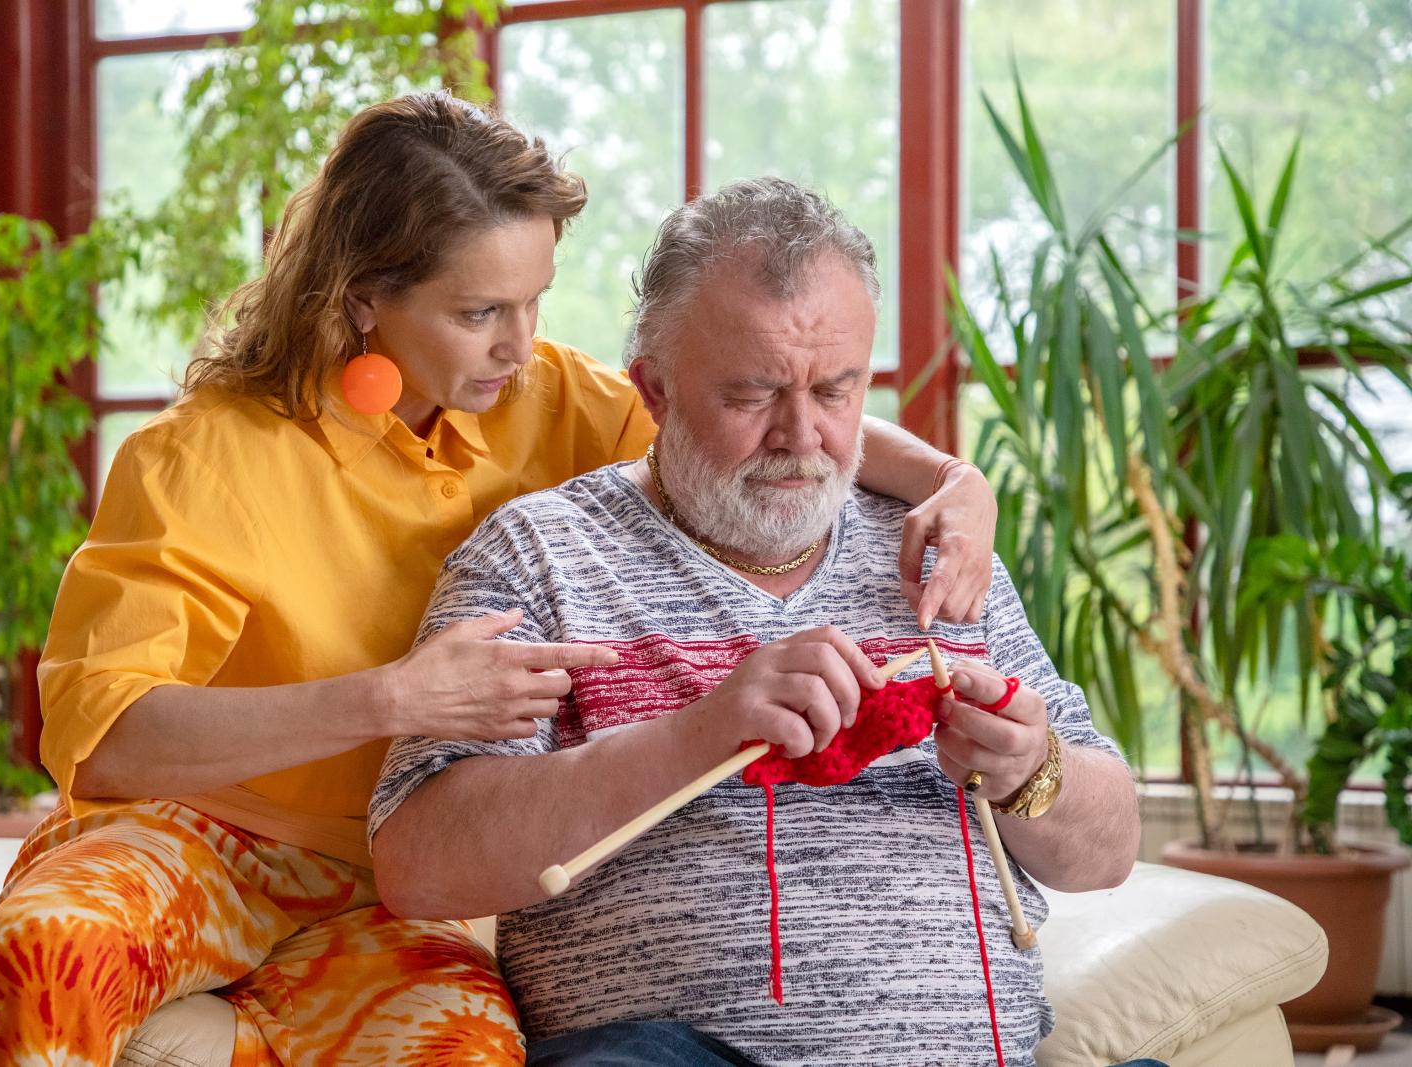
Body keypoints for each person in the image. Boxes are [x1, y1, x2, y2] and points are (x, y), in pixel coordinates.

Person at [0, 95, 1001, 1066]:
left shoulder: (545, 393)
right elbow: (106, 737)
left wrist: (956, 479)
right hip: (194, 839)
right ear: (360, 303)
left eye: (533, 300)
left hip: (394, 894)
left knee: (468, 1051)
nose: (519, 344)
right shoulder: (195, 457)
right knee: (46, 953)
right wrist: (393, 697)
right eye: (478, 312)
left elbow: (753, 415)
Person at [369, 177, 1149, 1067]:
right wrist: (697, 733)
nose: (803, 434)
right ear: (653, 390)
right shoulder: (541, 554)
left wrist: (1030, 767)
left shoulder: (938, 547)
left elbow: (1110, 846)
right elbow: (417, 858)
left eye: (837, 389)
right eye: (753, 394)